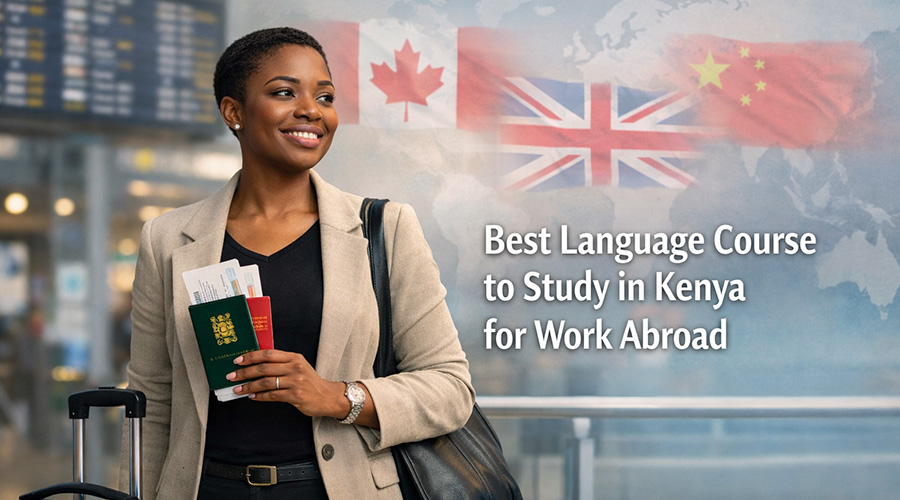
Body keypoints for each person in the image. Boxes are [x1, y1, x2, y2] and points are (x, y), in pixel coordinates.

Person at [122, 27, 475, 500]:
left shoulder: (383, 228)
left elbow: (451, 388)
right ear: (233, 113)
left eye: (324, 96)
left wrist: (337, 397)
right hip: (205, 490)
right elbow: (152, 403)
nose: (311, 109)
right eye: (284, 92)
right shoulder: (167, 239)